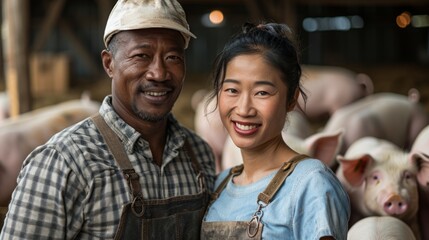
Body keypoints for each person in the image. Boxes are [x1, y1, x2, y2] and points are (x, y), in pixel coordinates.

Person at [0, 0, 216, 239]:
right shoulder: (64, 162)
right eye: (141, 55)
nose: (159, 73)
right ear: (109, 63)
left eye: (173, 57)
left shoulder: (199, 155)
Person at [200, 23, 350, 239]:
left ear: (292, 99)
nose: (243, 109)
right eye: (232, 90)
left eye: (262, 93)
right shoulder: (219, 185)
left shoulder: (310, 183)